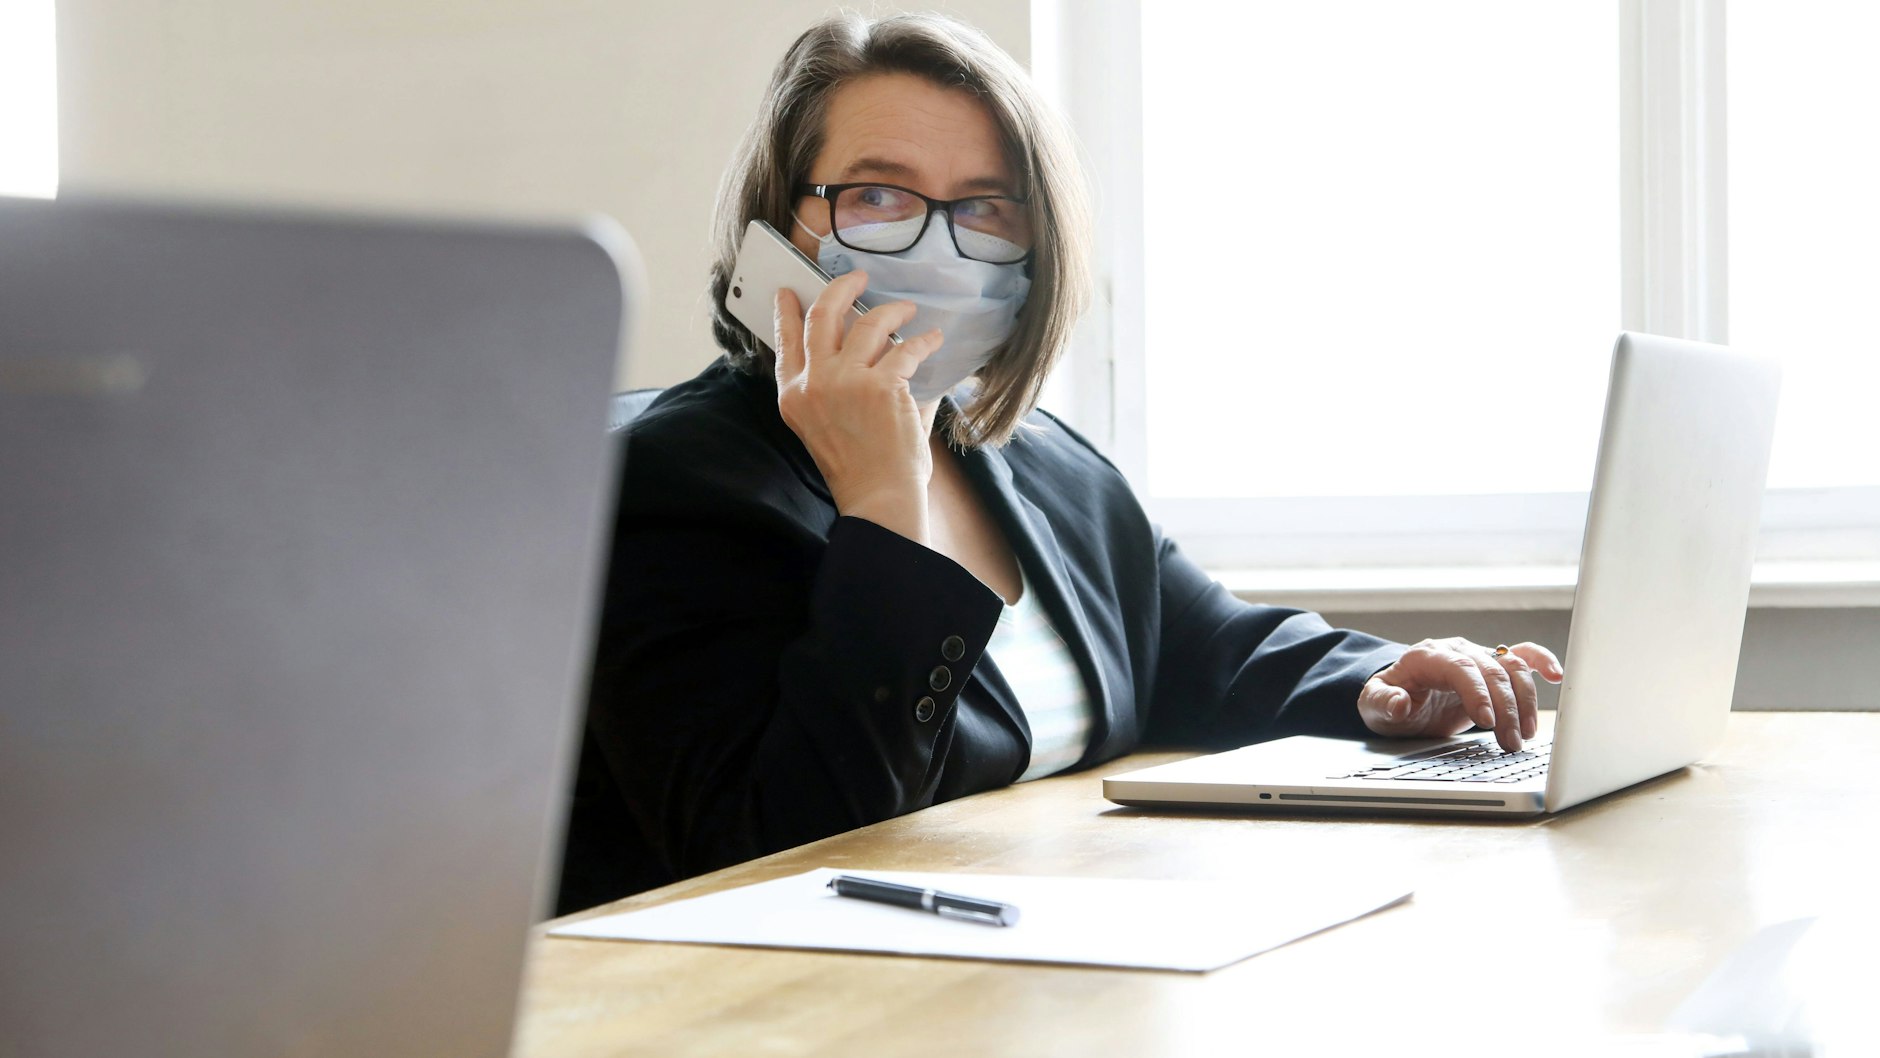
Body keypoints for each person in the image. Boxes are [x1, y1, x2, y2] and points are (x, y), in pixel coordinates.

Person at [554, 12, 1563, 914]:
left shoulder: (1034, 457)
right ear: (776, 223)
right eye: (874, 194)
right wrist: (878, 503)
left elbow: (1209, 649)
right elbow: (772, 843)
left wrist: (1384, 677)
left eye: (985, 207)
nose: (936, 246)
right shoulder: (667, 482)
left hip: (1050, 951)